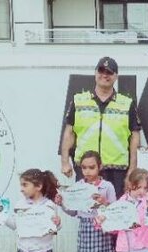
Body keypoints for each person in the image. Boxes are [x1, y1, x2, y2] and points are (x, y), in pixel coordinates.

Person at [60, 56, 140, 196]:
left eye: (109, 72)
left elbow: (135, 137)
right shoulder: (78, 100)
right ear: (95, 73)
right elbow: (69, 133)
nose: (105, 75)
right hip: (86, 168)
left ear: (115, 76)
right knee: (86, 210)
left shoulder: (127, 103)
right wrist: (65, 162)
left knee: (115, 212)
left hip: (116, 170)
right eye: (101, 70)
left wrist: (132, 168)